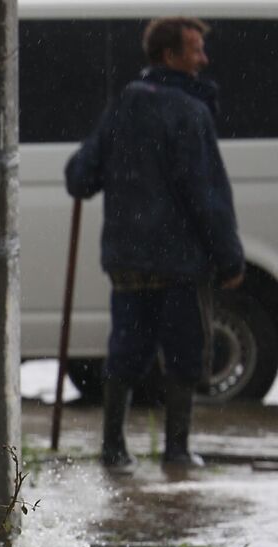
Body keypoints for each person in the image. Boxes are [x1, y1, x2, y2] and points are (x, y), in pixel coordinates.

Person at [66, 16, 244, 473]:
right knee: (185, 355)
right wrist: (228, 257)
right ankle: (177, 450)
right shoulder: (190, 112)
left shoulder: (124, 103)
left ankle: (113, 449)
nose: (204, 59)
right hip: (181, 261)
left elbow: (80, 177)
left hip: (128, 260)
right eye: (196, 50)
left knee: (126, 351)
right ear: (170, 56)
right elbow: (207, 195)